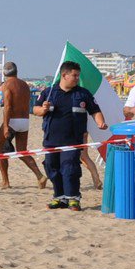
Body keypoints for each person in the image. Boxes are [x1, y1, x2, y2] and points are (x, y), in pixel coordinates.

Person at [34, 60, 108, 210]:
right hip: (51, 140)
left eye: (78, 75)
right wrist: (43, 110)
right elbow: (35, 110)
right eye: (74, 75)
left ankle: (73, 198)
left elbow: (95, 110)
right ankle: (59, 197)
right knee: (51, 168)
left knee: (69, 168)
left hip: (73, 140)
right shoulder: (48, 93)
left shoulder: (82, 94)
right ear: (64, 75)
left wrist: (101, 123)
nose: (77, 78)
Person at [0, 62, 46, 189]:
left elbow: (7, 106)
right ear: (16, 71)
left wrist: (6, 126)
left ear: (4, 73)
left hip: (12, 120)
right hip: (24, 120)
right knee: (22, 150)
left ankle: (5, 181)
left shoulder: (7, 85)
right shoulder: (24, 85)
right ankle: (40, 175)